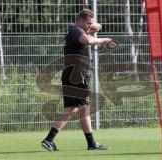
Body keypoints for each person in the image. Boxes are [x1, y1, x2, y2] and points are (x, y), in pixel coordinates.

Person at [41, 9, 113, 151]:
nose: (89, 26)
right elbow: (88, 40)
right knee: (84, 108)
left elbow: (98, 27)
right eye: (87, 23)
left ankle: (49, 140)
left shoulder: (78, 29)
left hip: (70, 74)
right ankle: (91, 143)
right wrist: (103, 41)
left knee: (71, 108)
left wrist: (93, 25)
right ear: (79, 20)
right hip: (77, 75)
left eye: (90, 23)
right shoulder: (76, 31)